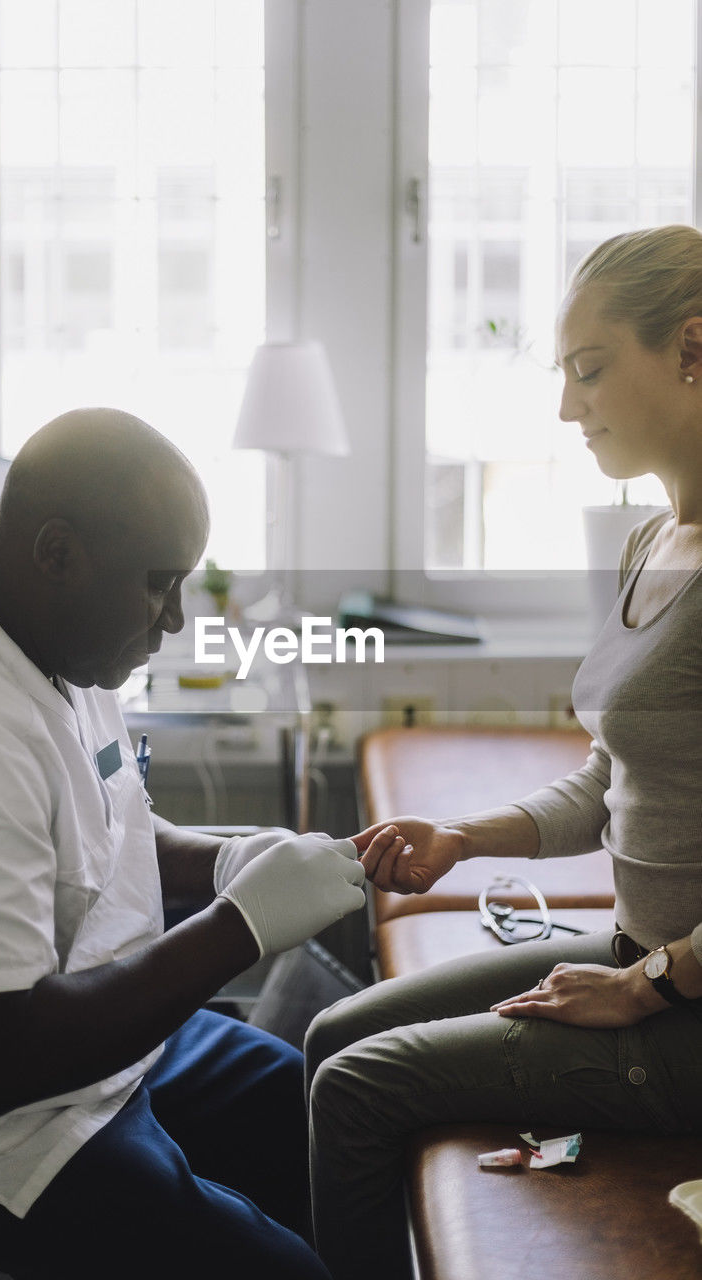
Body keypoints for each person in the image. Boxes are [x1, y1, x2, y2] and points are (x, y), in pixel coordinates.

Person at [0, 408, 378, 1280]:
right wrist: (240, 926)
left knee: (331, 1112)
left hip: (106, 1051)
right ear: (55, 554)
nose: (172, 622)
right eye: (158, 585)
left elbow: (107, 822)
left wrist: (225, 861)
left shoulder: (51, 636)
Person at [305, 224, 702, 1280]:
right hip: (641, 957)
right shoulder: (649, 540)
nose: (568, 407)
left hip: (686, 1012)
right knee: (329, 1036)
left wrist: (655, 983)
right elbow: (609, 778)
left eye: (588, 368)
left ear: (691, 349)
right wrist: (458, 839)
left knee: (356, 1086)